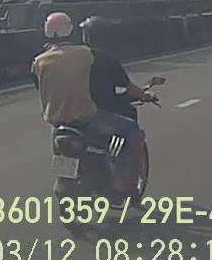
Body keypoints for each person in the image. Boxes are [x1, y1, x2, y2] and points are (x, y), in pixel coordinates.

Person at [30, 13, 147, 194]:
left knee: (60, 152)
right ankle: (124, 182)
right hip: (86, 118)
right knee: (132, 129)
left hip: (58, 124)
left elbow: (41, 86)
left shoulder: (38, 62)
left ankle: (63, 181)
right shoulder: (87, 54)